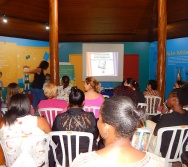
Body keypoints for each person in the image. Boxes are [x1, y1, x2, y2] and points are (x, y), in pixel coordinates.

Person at [71, 96, 165, 167]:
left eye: (99, 119)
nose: (97, 122)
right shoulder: (158, 163)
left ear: (106, 126)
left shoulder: (83, 163)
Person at [51, 87, 98, 166]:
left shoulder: (59, 118)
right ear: (83, 102)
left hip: (64, 159)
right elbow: (95, 136)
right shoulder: (91, 117)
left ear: (68, 101)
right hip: (86, 159)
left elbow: (55, 138)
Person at [0, 93, 51, 166]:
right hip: (37, 163)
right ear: (28, 106)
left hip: (13, 164)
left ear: (10, 107)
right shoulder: (40, 121)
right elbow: (50, 137)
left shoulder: (3, 124)